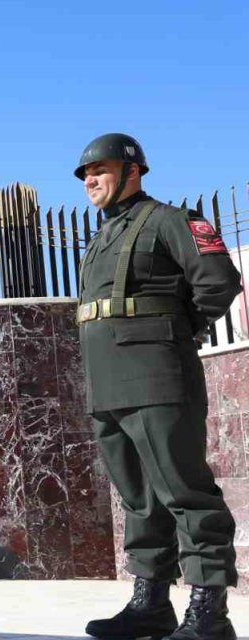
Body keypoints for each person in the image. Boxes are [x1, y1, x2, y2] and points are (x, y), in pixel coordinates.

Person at [74, 133, 242, 640]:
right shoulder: (102, 238)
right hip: (107, 382)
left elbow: (219, 281)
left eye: (98, 169)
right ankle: (150, 603)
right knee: (138, 499)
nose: (89, 180)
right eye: (84, 174)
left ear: (132, 170)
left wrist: (173, 331)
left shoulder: (172, 221)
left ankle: (209, 614)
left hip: (157, 376)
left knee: (184, 492)